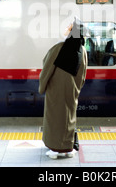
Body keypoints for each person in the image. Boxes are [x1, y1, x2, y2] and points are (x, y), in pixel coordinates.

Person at [39, 18, 87, 159]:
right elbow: (83, 74)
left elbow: (47, 68)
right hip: (71, 91)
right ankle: (68, 147)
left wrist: (42, 86)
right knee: (68, 118)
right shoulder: (82, 49)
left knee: (55, 118)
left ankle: (55, 149)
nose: (66, 28)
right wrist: (77, 88)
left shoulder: (59, 47)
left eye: (69, 27)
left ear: (72, 32)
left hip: (56, 90)